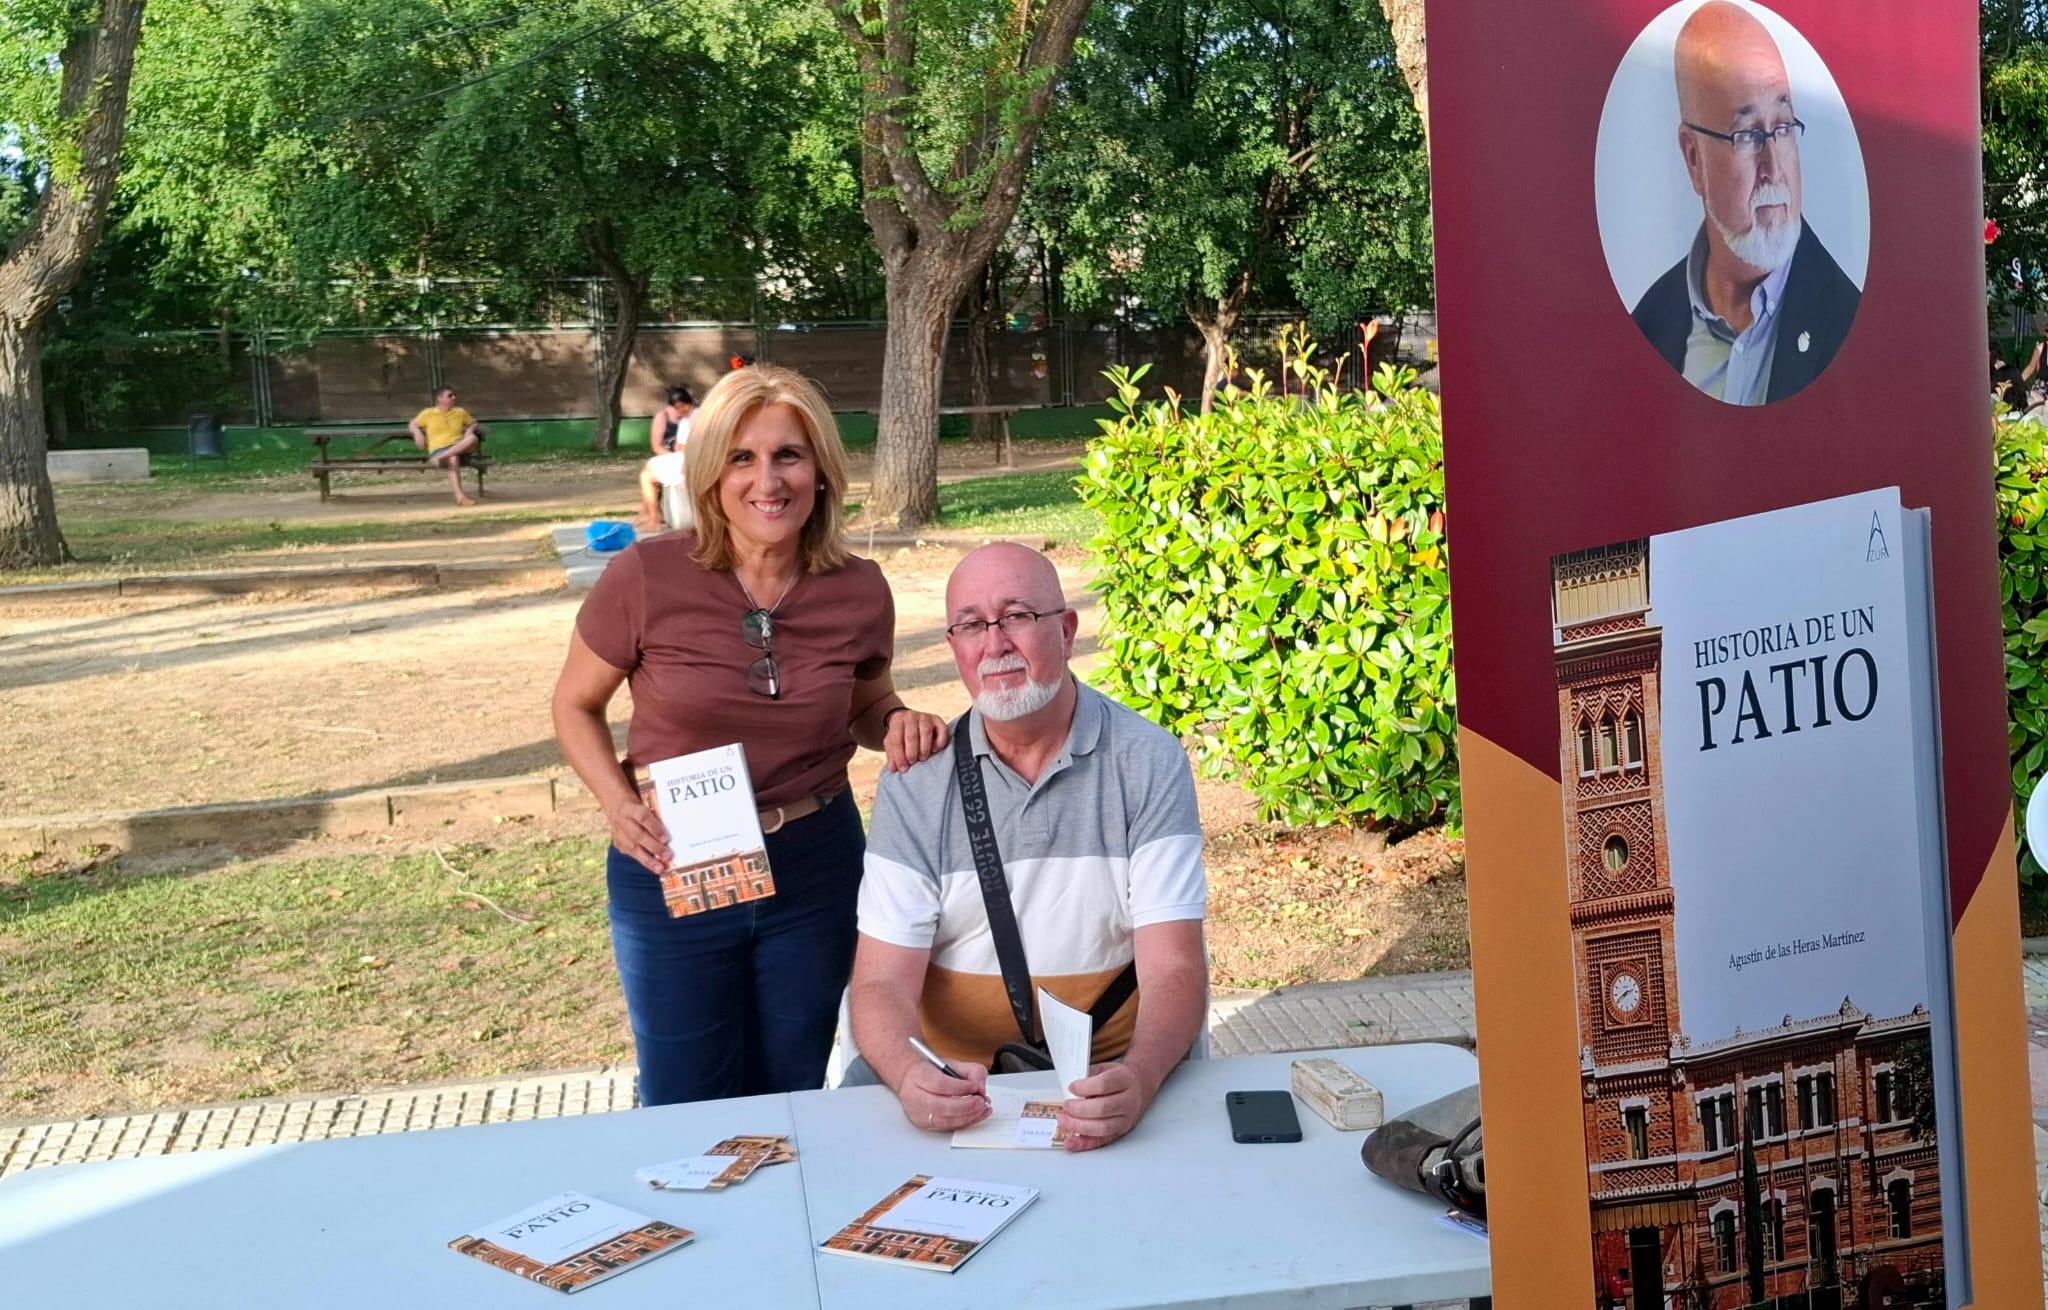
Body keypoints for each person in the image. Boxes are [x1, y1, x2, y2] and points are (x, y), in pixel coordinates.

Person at [551, 363, 951, 1106]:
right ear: (710, 474)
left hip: (815, 864)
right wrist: (616, 803)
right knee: (683, 1096)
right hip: (677, 858)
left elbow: (869, 704)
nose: (767, 480)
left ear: (822, 471)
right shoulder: (647, 576)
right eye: (743, 457)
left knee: (790, 1088)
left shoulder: (859, 588)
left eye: (788, 455)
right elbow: (574, 705)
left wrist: (899, 721)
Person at [847, 543, 1209, 1152]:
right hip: (955, 1085)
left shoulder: (1147, 760)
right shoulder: (918, 776)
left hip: (1105, 1076)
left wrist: (1139, 1077)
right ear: (954, 646)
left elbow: (1174, 964)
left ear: (1067, 631)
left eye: (1017, 615)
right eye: (971, 625)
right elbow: (881, 983)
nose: (994, 644)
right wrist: (913, 1078)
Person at [1629, 1, 1861, 405]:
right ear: (1694, 158)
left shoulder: (1848, 321)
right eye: (1748, 135)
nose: (1774, 167)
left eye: (1784, 127)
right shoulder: (1650, 323)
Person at [408, 386, 485, 506]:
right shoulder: (428, 414)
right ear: (439, 398)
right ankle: (460, 497)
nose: (453, 397)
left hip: (460, 449)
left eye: (454, 395)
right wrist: (417, 433)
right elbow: (413, 423)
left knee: (473, 438)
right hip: (439, 450)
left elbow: (473, 423)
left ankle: (444, 456)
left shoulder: (460, 412)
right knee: (452, 458)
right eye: (450, 395)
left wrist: (469, 430)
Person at [637, 385, 696, 531]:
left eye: (683, 406)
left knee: (646, 474)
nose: (681, 410)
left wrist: (685, 447)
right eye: (678, 407)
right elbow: (677, 445)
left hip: (692, 459)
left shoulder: (699, 416)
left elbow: (697, 442)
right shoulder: (684, 420)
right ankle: (650, 515)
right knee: (646, 472)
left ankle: (651, 517)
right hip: (682, 456)